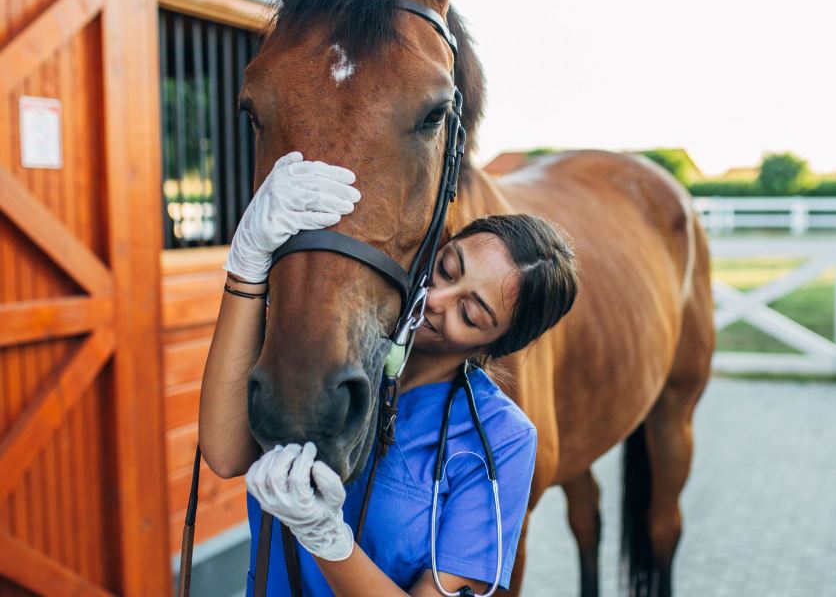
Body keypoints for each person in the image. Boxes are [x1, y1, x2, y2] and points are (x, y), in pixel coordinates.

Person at [199, 152, 580, 596]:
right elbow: (226, 454)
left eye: (470, 313)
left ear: (494, 345)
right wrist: (247, 263)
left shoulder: (502, 441)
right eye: (447, 269)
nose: (437, 299)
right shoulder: (325, 348)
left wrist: (329, 541)